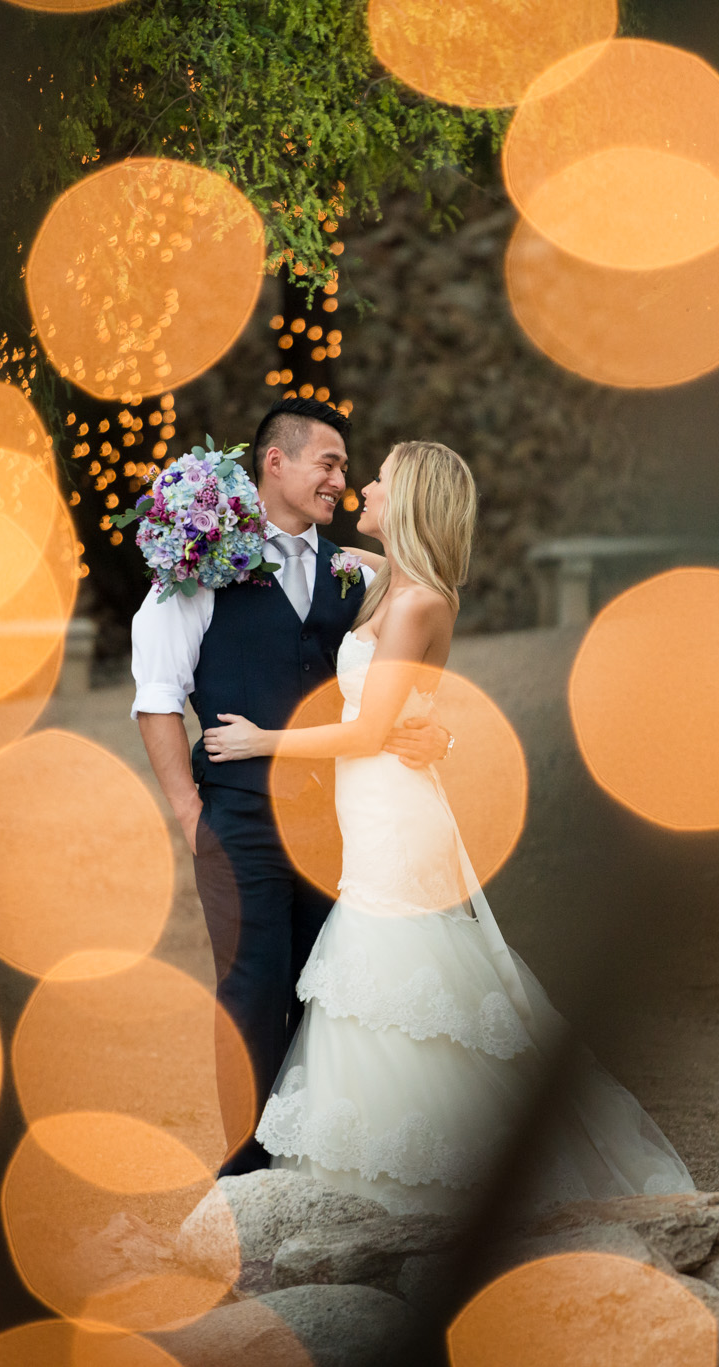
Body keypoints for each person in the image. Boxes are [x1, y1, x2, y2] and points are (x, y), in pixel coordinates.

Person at [201, 440, 694, 1213]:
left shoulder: (422, 598)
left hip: (397, 819)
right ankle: (374, 1177)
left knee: (393, 974)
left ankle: (431, 1183)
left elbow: (369, 734)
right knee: (377, 986)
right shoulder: (378, 583)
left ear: (413, 500)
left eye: (381, 481)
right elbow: (407, 705)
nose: (363, 486)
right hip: (373, 810)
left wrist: (262, 741)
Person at [133, 397, 449, 1177]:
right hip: (237, 815)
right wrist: (188, 813)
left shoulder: (359, 573)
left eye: (347, 469)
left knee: (331, 992)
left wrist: (434, 732)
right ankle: (247, 1171)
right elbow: (157, 694)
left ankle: (317, 1166)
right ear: (275, 461)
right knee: (252, 985)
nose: (341, 480)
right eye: (329, 463)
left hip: (341, 821)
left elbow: (410, 674)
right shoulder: (204, 564)